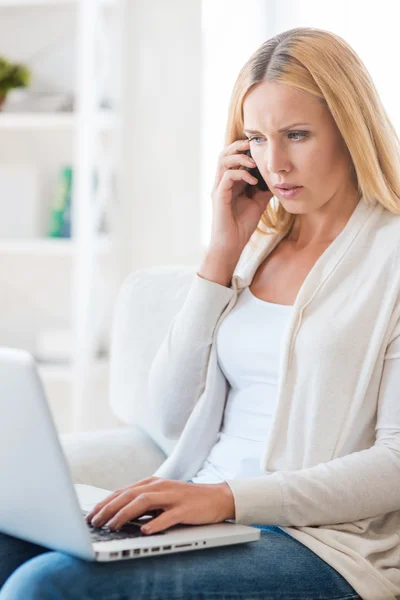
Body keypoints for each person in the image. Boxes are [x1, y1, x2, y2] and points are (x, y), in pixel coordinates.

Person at [1, 25, 400, 600]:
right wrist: (221, 256)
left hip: (319, 546)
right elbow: (168, 417)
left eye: (297, 134)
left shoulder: (389, 258)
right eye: (257, 139)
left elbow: (393, 463)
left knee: (50, 586)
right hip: (206, 516)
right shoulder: (255, 246)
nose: (277, 163)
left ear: (350, 131)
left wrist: (227, 497)